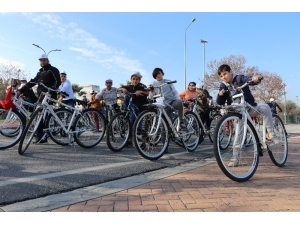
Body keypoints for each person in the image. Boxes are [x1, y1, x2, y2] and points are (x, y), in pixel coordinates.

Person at [216, 64, 276, 166]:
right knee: (238, 136)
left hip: (250, 107)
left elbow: (247, 79)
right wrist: (220, 94)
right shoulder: (223, 85)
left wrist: (255, 78)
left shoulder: (238, 78)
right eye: (221, 76)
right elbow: (220, 101)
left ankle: (270, 134)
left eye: (225, 74)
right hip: (238, 113)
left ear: (231, 71)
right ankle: (235, 158)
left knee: (265, 108)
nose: (224, 77)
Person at [17, 54, 61, 144]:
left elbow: (58, 82)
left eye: (44, 60)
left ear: (48, 60)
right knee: (36, 114)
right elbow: (31, 82)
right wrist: (20, 91)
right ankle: (41, 135)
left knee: (42, 115)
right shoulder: (40, 73)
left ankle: (42, 135)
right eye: (40, 60)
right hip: (41, 96)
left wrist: (51, 92)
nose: (42, 62)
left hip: (49, 96)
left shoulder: (53, 70)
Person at [118, 71, 149, 146]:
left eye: (137, 79)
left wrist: (141, 91)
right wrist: (122, 89)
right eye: (133, 79)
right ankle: (129, 140)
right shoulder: (129, 86)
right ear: (131, 79)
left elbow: (147, 93)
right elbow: (118, 88)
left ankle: (144, 141)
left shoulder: (142, 86)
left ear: (139, 80)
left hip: (143, 106)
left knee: (143, 124)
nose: (135, 80)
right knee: (131, 123)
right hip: (134, 107)